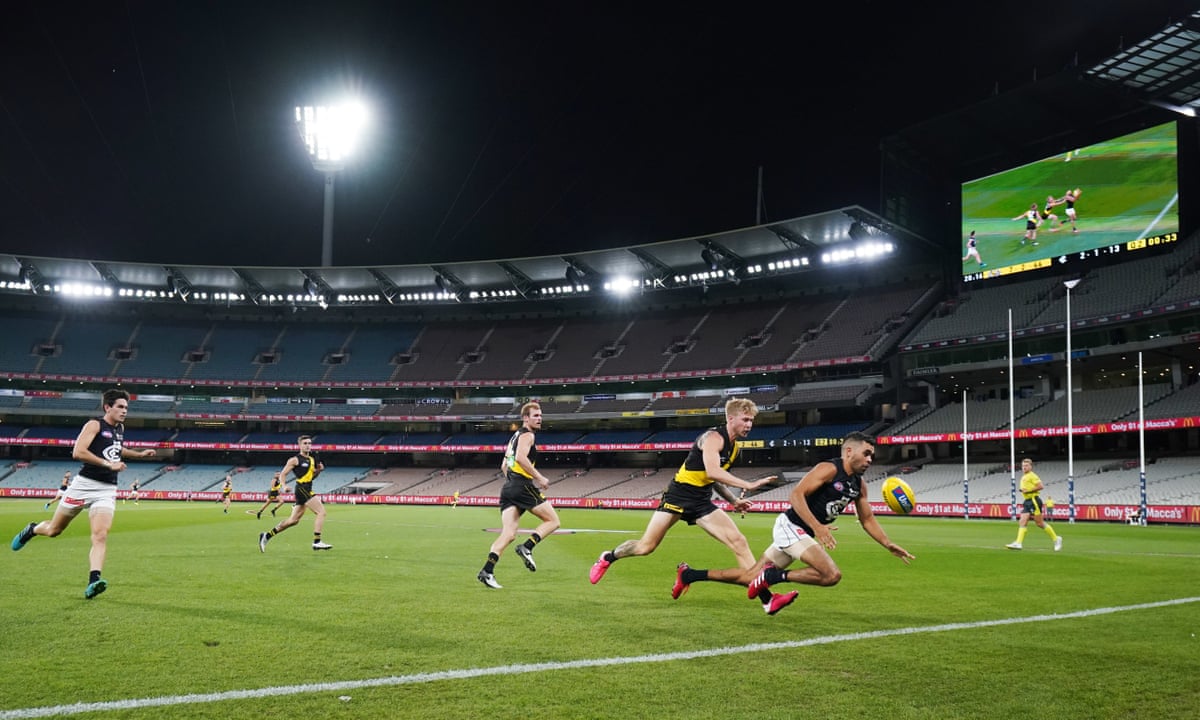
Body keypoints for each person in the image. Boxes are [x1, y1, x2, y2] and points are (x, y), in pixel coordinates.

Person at [672, 432, 913, 615]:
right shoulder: (829, 469)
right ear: (849, 451)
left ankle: (689, 575)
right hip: (791, 526)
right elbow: (796, 495)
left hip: (800, 532)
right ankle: (774, 577)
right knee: (831, 575)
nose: (870, 459)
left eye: (872, 455)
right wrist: (818, 527)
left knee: (749, 577)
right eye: (867, 453)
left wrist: (887, 543)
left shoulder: (859, 485)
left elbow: (867, 519)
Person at [589, 397, 774, 585]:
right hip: (678, 496)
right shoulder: (713, 438)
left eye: (751, 420)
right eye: (745, 419)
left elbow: (713, 479)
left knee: (739, 541)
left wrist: (734, 501)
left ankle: (765, 596)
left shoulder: (735, 448)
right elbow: (713, 471)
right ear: (731, 418)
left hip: (700, 501)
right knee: (645, 547)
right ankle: (608, 557)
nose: (749, 425)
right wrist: (748, 485)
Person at [11, 389, 157, 599]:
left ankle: (94, 581)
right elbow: (78, 452)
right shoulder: (94, 425)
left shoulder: (119, 428)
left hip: (107, 489)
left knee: (100, 535)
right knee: (54, 530)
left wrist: (139, 454)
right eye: (120, 407)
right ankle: (32, 529)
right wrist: (108, 464)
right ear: (107, 407)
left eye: (126, 407)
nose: (125, 411)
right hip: (83, 486)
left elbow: (117, 449)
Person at [477, 402, 560, 589]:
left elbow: (504, 466)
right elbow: (521, 458)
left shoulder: (514, 437)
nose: (540, 418)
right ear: (525, 418)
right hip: (522, 485)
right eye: (535, 415)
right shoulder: (528, 435)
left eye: (540, 415)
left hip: (509, 488)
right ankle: (527, 547)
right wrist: (539, 478)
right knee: (553, 521)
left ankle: (487, 571)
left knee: (508, 534)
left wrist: (513, 482)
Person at [259, 435, 331, 552]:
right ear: (300, 445)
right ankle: (317, 541)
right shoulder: (294, 460)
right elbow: (283, 474)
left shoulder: (312, 459)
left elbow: (311, 477)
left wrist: (318, 471)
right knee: (321, 512)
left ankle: (266, 536)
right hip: (302, 488)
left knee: (293, 521)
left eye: (309, 443)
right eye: (305, 443)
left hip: (307, 488)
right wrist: (284, 486)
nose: (308, 445)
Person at [1006, 457, 1062, 551]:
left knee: (1039, 523)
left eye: (1026, 465)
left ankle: (1056, 539)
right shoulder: (1024, 476)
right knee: (1023, 521)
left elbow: (1040, 486)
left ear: (1031, 467)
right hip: (1028, 501)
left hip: (1034, 500)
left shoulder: (1032, 476)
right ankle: (1018, 543)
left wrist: (1028, 490)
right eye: (1023, 466)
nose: (1024, 467)